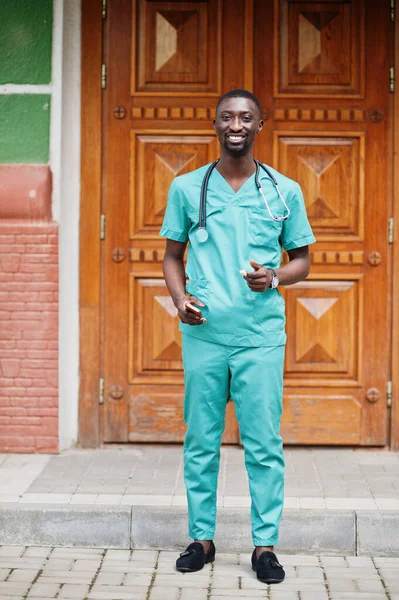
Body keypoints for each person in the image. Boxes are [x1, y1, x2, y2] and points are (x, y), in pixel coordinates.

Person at [160, 89, 315, 584]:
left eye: (246, 117)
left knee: (263, 443)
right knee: (200, 441)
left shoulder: (284, 190)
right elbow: (171, 257)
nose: (236, 124)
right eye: (227, 116)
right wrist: (180, 301)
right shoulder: (187, 188)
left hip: (260, 337)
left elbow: (303, 262)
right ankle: (201, 539)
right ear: (214, 124)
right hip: (205, 335)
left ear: (259, 125)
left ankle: (264, 546)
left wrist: (273, 277)